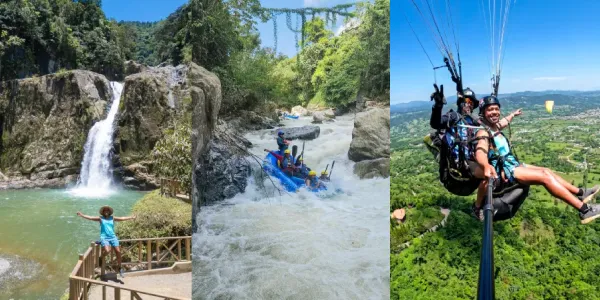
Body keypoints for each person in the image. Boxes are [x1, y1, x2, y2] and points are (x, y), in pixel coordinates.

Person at [473, 95, 600, 224]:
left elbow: (505, 121)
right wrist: (485, 165)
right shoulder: (483, 132)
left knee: (547, 170)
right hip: (507, 170)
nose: (494, 112)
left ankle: (581, 193)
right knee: (545, 176)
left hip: (512, 164)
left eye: (496, 109)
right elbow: (481, 150)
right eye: (490, 110)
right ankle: (584, 210)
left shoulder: (495, 127)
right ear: (483, 113)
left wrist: (513, 114)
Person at [77, 206, 137, 278]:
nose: (106, 211)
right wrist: (82, 215)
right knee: (107, 251)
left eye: (107, 210)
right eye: (105, 210)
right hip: (104, 237)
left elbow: (122, 218)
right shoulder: (100, 218)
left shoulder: (112, 218)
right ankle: (102, 256)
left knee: (118, 251)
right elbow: (91, 218)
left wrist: (131, 217)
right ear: (103, 212)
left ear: (109, 211)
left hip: (113, 237)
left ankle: (120, 268)